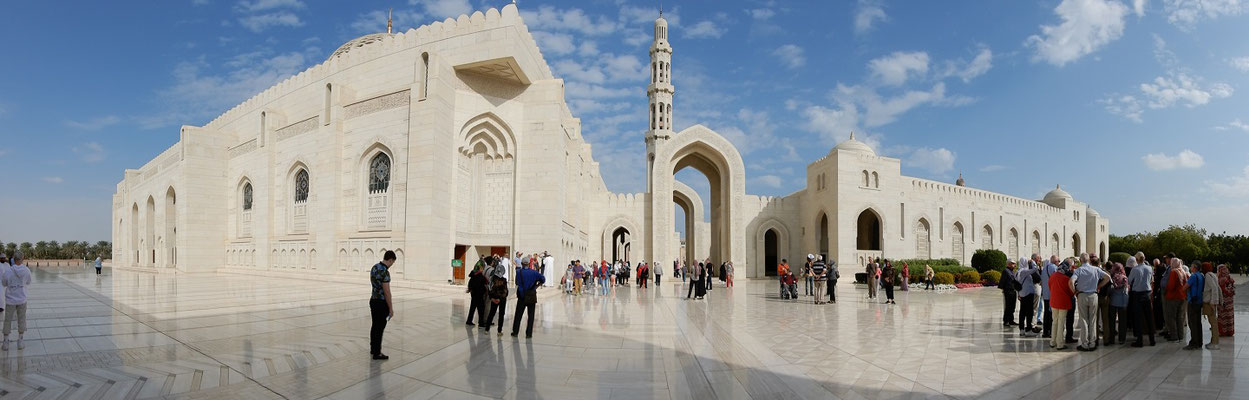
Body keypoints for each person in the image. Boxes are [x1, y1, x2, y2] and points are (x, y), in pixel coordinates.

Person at [1071, 254, 1110, 351]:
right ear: (1088, 260)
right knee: (1093, 319)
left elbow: (1071, 281)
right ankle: (1092, 343)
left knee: (1083, 319)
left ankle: (1084, 343)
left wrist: (1074, 291)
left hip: (1082, 295)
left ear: (1081, 260)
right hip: (1093, 295)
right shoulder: (1095, 269)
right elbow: (1107, 277)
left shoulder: (1079, 270)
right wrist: (1099, 286)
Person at [368, 251, 396, 360]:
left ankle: (373, 348)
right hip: (381, 303)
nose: (392, 264)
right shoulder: (385, 271)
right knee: (379, 328)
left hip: (373, 300)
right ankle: (377, 353)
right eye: (392, 262)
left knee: (374, 326)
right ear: (390, 260)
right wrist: (391, 308)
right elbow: (387, 292)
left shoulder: (374, 267)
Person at [1127, 253, 1156, 347]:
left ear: (1137, 259)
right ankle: (1152, 339)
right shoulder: (1149, 268)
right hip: (1147, 293)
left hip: (1138, 294)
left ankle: (1140, 340)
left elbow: (1129, 281)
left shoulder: (1135, 269)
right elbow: (1151, 280)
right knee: (1149, 317)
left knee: (1138, 318)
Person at [511, 259, 545, 338]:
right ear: (529, 263)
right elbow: (543, 279)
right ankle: (529, 334)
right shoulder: (534, 272)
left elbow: (517, 282)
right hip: (531, 296)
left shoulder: (519, 272)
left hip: (522, 296)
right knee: (531, 315)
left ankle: (515, 332)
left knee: (518, 315)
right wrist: (536, 286)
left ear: (522, 264)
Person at [1048, 260, 1074, 350]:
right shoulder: (1066, 279)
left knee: (1054, 321)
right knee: (1061, 322)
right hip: (1063, 302)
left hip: (1054, 301)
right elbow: (1071, 292)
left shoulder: (1052, 276)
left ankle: (1053, 341)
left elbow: (1050, 286)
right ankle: (1060, 344)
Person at [1162, 258, 1188, 343]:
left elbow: (1171, 286)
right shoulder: (1184, 271)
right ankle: (1181, 335)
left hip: (1173, 297)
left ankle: (1174, 336)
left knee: (1171, 317)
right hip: (1182, 297)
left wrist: (1166, 290)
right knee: (1179, 317)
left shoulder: (1174, 272)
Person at [1183, 261, 1206, 350]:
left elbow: (1185, 287)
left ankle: (1194, 342)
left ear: (1195, 267)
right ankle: (1199, 342)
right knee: (1198, 323)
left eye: (1191, 266)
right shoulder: (1201, 276)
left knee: (1192, 323)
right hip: (1199, 301)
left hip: (1192, 301)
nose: (1190, 267)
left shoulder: (1193, 276)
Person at [1106, 261, 1129, 345]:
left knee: (1112, 321)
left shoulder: (1112, 278)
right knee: (1122, 321)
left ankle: (1112, 338)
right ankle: (1121, 339)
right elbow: (1126, 291)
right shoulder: (1124, 278)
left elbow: (1109, 290)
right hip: (1122, 302)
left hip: (1113, 302)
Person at [1016, 257, 1039, 335]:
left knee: (1022, 312)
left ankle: (1021, 329)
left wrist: (1018, 294)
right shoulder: (1024, 271)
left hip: (1022, 294)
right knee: (1029, 312)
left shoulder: (1017, 272)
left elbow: (1017, 285)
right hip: (1028, 294)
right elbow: (1036, 269)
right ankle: (1029, 330)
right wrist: (1033, 262)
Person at [1201, 262, 1221, 350]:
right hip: (1211, 301)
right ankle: (1214, 341)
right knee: (1213, 322)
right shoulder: (1212, 275)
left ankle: (1215, 343)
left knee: (1213, 322)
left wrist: (1213, 301)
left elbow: (1214, 288)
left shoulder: (1208, 276)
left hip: (1210, 302)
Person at [484, 267, 509, 336]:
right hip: (502, 300)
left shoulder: (491, 279)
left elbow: (489, 289)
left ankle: (487, 329)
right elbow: (505, 291)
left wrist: (492, 298)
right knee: (501, 314)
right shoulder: (503, 280)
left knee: (491, 313)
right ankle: (499, 331)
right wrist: (500, 298)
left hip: (494, 299)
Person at [1040, 255, 1059, 338]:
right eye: (1058, 261)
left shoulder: (1045, 268)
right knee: (1051, 314)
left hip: (1045, 294)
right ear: (1055, 261)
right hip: (1052, 294)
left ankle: (1045, 331)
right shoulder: (1054, 268)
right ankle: (1051, 331)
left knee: (1046, 313)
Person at [1216, 264, 1235, 337]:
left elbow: (1222, 289)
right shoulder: (1229, 277)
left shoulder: (1222, 278)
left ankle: (1223, 332)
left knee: (1223, 316)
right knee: (1229, 316)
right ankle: (1230, 331)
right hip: (1230, 300)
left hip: (1223, 300)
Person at [998, 260, 1018, 327]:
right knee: (1008, 306)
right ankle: (1006, 320)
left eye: (1015, 264)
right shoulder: (1006, 271)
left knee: (1012, 306)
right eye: (1013, 264)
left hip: (1013, 291)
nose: (1014, 265)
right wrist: (1004, 289)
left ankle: (1011, 320)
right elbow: (1002, 281)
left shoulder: (1012, 271)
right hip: (1008, 291)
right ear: (1008, 264)